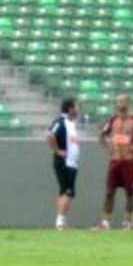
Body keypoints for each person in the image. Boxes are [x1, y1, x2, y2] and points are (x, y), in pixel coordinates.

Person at [94, 93, 133, 230]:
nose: (120, 104)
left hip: (129, 161)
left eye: (122, 101)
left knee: (130, 193)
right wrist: (108, 147)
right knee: (109, 192)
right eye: (118, 101)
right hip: (115, 161)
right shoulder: (112, 121)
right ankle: (105, 223)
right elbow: (100, 134)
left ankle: (127, 222)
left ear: (128, 103)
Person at [46, 97, 81, 230]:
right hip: (65, 162)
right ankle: (60, 222)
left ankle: (61, 221)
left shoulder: (71, 123)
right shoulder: (61, 122)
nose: (78, 110)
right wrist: (57, 150)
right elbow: (50, 135)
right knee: (68, 191)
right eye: (76, 107)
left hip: (71, 163)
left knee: (64, 191)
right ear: (70, 108)